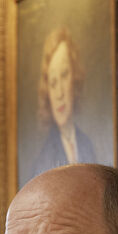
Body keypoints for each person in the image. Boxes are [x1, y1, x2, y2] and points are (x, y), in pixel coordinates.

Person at [30, 27, 96, 178]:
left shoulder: (87, 144)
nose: (59, 94)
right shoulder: (43, 160)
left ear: (75, 77)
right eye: (53, 83)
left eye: (64, 75)